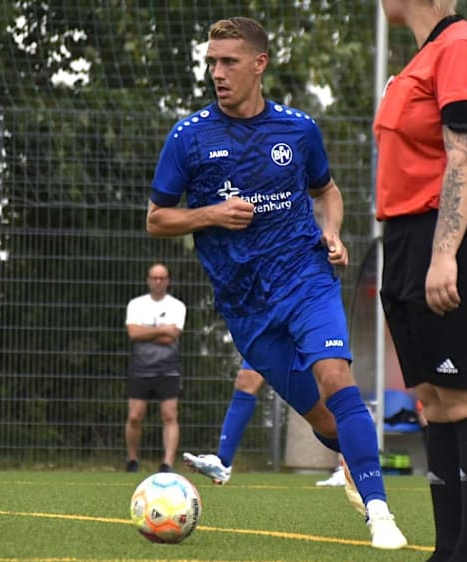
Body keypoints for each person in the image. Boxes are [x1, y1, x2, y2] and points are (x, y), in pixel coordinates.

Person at [147, 17, 407, 550]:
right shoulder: (188, 136)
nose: (217, 73)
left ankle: (380, 512)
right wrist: (212, 215)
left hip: (306, 278)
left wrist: (331, 232)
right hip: (245, 306)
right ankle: (353, 465)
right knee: (320, 415)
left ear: (259, 64)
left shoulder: (298, 129)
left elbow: (327, 191)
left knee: (338, 380)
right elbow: (157, 218)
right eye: (212, 62)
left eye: (229, 62)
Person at [374, 1, 467, 560]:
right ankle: (448, 550)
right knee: (434, 400)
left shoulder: (460, 46)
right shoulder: (425, 55)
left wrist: (443, 254)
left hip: (454, 239)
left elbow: (465, 157)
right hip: (411, 238)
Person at [182, 364, 349, 488]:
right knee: (247, 378)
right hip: (273, 323)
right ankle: (223, 463)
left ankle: (354, 462)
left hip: (301, 321)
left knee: (324, 400)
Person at [124, 262, 187, 473]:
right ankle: (132, 460)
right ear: (148, 280)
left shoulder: (177, 306)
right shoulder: (136, 304)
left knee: (170, 414)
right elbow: (133, 334)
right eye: (154, 277)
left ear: (168, 281)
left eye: (162, 278)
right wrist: (161, 330)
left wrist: (147, 332)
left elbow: (173, 336)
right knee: (135, 415)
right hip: (140, 368)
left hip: (168, 368)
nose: (158, 282)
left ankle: (167, 463)